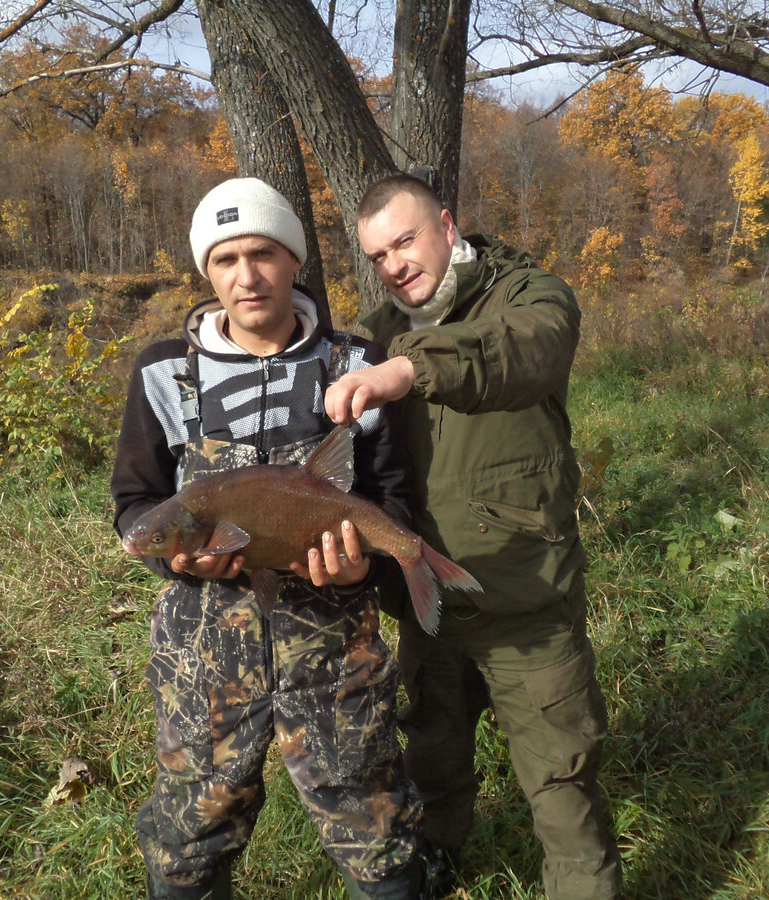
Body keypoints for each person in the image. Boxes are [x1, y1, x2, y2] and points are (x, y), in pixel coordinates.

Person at [112, 177, 426, 900]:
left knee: (369, 811)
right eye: (225, 260)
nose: (245, 276)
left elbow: (392, 497)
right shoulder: (165, 372)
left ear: (293, 261)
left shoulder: (355, 363)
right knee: (192, 822)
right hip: (203, 650)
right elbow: (135, 500)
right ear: (206, 272)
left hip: (334, 640)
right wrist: (170, 554)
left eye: (263, 253)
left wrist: (362, 575)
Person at [324, 173, 622, 899]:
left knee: (561, 782)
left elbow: (521, 352)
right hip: (428, 601)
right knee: (433, 754)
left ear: (447, 226)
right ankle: (438, 865)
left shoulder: (531, 297)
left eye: (405, 240)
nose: (394, 264)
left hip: (525, 599)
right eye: (377, 256)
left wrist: (409, 369)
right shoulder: (377, 331)